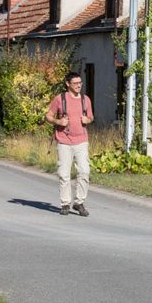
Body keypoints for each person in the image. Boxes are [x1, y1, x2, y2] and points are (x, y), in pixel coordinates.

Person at [45, 71, 94, 216]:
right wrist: (58, 121)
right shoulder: (60, 99)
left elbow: (91, 116)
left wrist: (88, 120)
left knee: (84, 171)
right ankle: (65, 203)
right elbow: (48, 115)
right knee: (63, 173)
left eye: (80, 83)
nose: (79, 85)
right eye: (75, 83)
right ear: (68, 84)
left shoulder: (86, 100)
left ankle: (79, 202)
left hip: (81, 140)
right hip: (64, 141)